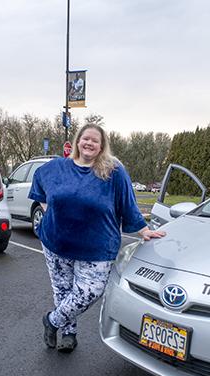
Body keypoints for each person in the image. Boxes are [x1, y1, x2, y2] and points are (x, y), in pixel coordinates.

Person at [29, 123, 166, 353]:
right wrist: (47, 210)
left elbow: (128, 205)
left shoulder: (113, 172)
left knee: (90, 291)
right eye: (85, 139)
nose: (89, 143)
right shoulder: (58, 167)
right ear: (77, 142)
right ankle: (68, 334)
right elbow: (39, 182)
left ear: (102, 145)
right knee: (62, 290)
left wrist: (143, 230)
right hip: (57, 241)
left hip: (97, 246)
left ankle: (52, 321)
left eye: (95, 140)